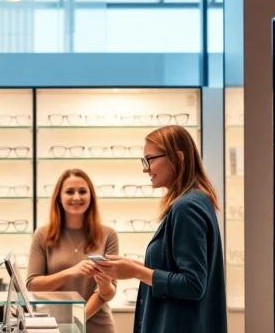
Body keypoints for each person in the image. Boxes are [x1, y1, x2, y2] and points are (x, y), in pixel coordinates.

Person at [95, 125, 227, 333]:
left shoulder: (187, 207)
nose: (146, 168)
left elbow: (193, 284)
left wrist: (137, 272)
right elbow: (176, 269)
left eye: (150, 159)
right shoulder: (194, 201)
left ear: (178, 158)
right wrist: (134, 266)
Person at [26, 168, 119, 333]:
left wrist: (79, 318)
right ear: (59, 198)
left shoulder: (108, 235)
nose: (77, 197)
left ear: (91, 197)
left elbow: (109, 292)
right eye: (70, 192)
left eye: (83, 191)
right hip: (54, 325)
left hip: (98, 326)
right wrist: (70, 272)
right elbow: (32, 284)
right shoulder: (42, 235)